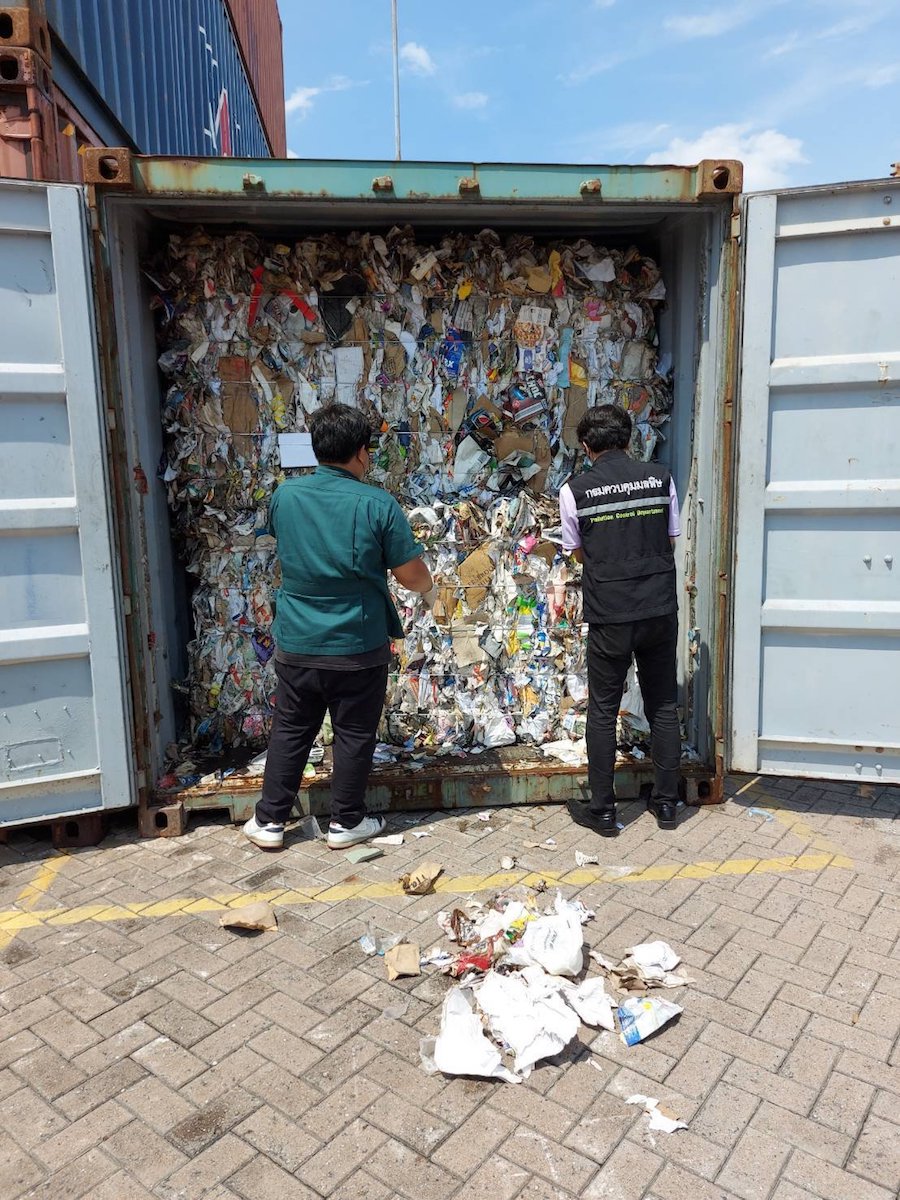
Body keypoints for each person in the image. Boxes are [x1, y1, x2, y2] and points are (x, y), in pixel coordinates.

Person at [243, 403, 434, 851]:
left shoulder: (285, 497)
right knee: (353, 733)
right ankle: (346, 822)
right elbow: (411, 575)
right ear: (362, 453)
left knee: (291, 728)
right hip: (357, 644)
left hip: (299, 641)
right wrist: (429, 587)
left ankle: (270, 821)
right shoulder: (377, 504)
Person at [559, 404, 681, 837]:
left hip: (610, 613)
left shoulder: (576, 490)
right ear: (629, 440)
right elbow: (669, 536)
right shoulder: (660, 477)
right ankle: (667, 805)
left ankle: (604, 812)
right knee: (663, 703)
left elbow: (577, 551)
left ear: (587, 446)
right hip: (659, 608)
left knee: (604, 709)